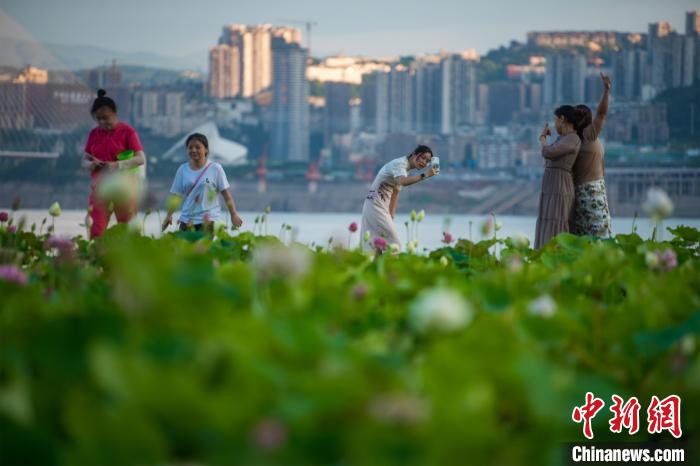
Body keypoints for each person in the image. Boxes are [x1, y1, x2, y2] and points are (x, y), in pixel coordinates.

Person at [82, 89, 146, 238]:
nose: (102, 122)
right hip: (99, 187)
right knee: (96, 228)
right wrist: (91, 165)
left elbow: (140, 158)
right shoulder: (94, 134)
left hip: (124, 187)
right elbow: (84, 159)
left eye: (106, 118)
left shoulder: (128, 132)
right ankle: (96, 257)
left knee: (127, 228)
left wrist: (116, 165)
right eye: (98, 119)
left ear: (115, 113)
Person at [361, 145, 439, 251]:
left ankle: (376, 266)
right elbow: (403, 181)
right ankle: (394, 267)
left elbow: (395, 192)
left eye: (428, 161)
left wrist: (391, 215)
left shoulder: (405, 169)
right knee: (394, 244)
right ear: (414, 154)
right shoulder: (399, 164)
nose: (424, 162)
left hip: (379, 207)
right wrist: (425, 175)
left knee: (377, 245)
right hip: (375, 206)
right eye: (423, 158)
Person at [162, 133, 243, 232]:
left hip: (209, 221)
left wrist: (233, 215)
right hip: (187, 221)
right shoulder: (182, 170)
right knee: (183, 247)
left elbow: (227, 195)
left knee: (203, 247)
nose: (193, 150)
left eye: (198, 147)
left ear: (206, 150)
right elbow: (176, 196)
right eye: (190, 147)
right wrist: (168, 216)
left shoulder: (215, 168)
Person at [535, 106, 584, 249]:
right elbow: (549, 157)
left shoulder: (573, 138)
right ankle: (543, 252)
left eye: (555, 120)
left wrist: (543, 140)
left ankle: (557, 253)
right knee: (548, 219)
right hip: (551, 185)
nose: (554, 124)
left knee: (558, 218)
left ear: (563, 119)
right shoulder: (562, 138)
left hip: (560, 185)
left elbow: (549, 152)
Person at [571, 73, 612, 237]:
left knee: (585, 236)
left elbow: (600, 114)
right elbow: (602, 114)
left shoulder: (574, 138)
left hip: (587, 190)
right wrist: (606, 91)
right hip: (591, 191)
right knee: (598, 236)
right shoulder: (587, 134)